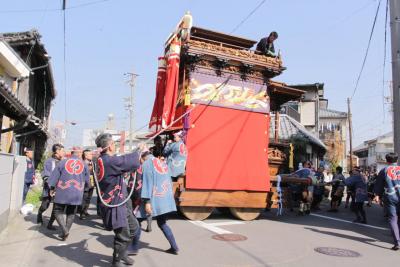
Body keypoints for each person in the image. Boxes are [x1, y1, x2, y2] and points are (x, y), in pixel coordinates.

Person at [95, 133, 142, 267]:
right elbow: (131, 161)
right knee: (123, 235)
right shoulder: (108, 161)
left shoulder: (104, 159)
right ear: (110, 146)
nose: (115, 146)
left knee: (134, 227)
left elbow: (123, 161)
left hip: (121, 199)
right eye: (114, 144)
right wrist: (138, 150)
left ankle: (122, 254)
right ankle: (116, 261)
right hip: (115, 203)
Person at [133, 148, 179, 255]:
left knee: (137, 220)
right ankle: (174, 247)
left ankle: (134, 247)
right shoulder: (162, 163)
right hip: (165, 198)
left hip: (154, 199)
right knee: (162, 223)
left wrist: (147, 202)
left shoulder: (147, 164)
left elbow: (147, 184)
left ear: (142, 156)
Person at [48, 147, 90, 241]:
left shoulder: (62, 162)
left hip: (63, 190)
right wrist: (86, 189)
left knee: (57, 211)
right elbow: (87, 181)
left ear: (71, 153)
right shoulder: (84, 164)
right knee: (71, 213)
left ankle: (64, 230)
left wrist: (52, 188)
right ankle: (65, 232)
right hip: (77, 192)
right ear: (80, 154)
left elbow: (54, 176)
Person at [374, 152, 400, 251]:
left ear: (387, 161)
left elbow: (379, 185)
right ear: (397, 160)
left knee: (393, 219)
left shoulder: (384, 170)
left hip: (390, 197)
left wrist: (377, 196)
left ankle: (397, 242)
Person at [37, 143, 65, 229]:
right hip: (50, 188)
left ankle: (50, 224)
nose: (64, 153)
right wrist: (51, 187)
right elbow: (46, 175)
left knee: (56, 208)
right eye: (62, 151)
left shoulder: (63, 162)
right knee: (45, 205)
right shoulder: (49, 161)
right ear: (57, 151)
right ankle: (39, 213)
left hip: (60, 188)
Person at [80, 149, 95, 220]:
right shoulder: (82, 164)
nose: (91, 155)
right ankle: (81, 213)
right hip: (85, 184)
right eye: (90, 154)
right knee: (84, 198)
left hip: (91, 183)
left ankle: (85, 210)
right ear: (85, 156)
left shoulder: (92, 163)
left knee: (89, 198)